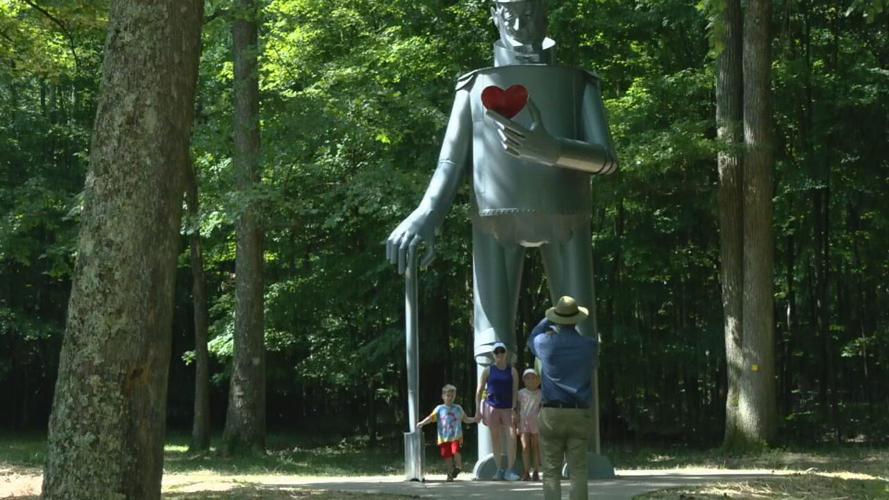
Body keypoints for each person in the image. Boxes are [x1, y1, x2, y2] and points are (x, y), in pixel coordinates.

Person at [385, 0, 617, 474]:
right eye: (510, 11)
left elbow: (606, 158)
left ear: (546, 16)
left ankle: (584, 452)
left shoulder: (577, 83)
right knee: (489, 337)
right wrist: (427, 212)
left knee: (582, 332)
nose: (520, 23)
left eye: (531, 11)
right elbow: (451, 162)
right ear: (494, 14)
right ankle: (493, 458)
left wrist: (554, 150)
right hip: (494, 216)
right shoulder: (473, 86)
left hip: (566, 214)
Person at [528, 296, 598, 500]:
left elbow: (532, 337)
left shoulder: (544, 343)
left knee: (550, 471)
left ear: (557, 318)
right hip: (579, 412)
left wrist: (548, 319)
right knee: (578, 471)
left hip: (551, 413)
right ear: (576, 319)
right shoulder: (589, 345)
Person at [475, 341, 520, 481]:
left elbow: (515, 391)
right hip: (491, 407)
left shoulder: (512, 370)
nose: (500, 354)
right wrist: (478, 410)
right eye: (497, 352)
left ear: (506, 353)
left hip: (508, 408)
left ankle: (510, 470)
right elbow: (479, 391)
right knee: (495, 438)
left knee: (512, 438)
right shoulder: (488, 370)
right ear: (493, 355)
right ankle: (499, 469)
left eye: (502, 351)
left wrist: (514, 410)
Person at [417, 384, 476, 481]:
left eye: (452, 396)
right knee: (447, 456)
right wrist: (422, 423)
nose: (450, 398)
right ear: (443, 396)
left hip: (456, 436)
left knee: (455, 451)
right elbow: (431, 418)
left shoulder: (458, 408)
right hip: (443, 438)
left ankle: (458, 467)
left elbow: (465, 419)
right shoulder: (439, 409)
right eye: (448, 396)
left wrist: (474, 419)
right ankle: (450, 474)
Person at [517, 367, 543, 481]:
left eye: (533, 378)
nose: (531, 380)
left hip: (536, 422)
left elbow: (542, 408)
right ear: (524, 380)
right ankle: (526, 471)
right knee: (525, 446)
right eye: (528, 378)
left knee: (536, 446)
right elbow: (517, 409)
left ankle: (536, 471)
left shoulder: (541, 393)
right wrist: (517, 423)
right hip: (523, 422)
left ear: (538, 380)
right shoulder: (520, 393)